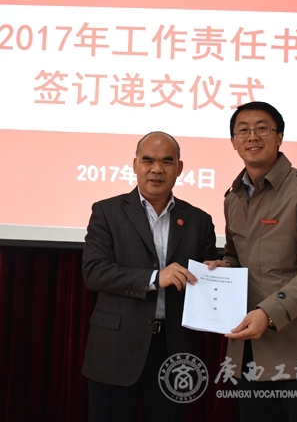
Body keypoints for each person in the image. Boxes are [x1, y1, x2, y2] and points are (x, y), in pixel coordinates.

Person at [206, 102, 297, 422]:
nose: (252, 136)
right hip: (249, 352)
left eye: (262, 128)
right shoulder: (233, 198)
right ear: (233, 142)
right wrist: (224, 268)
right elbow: (235, 256)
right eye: (243, 130)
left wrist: (268, 312)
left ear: (279, 137)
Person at [82, 131, 219, 422]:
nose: (157, 169)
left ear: (179, 168)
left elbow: (207, 277)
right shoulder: (107, 212)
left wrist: (220, 273)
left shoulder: (199, 220)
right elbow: (94, 272)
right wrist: (155, 278)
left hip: (174, 347)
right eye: (148, 161)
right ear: (135, 165)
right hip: (116, 346)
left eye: (167, 162)